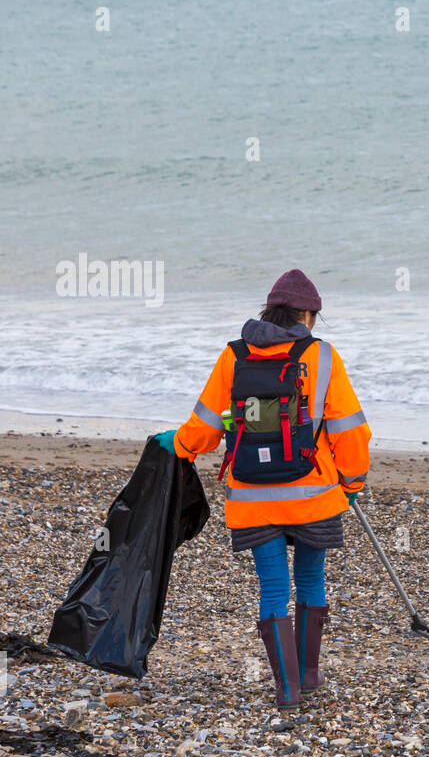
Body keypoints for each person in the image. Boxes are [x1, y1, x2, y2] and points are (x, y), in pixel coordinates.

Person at [153, 269, 371, 712]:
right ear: (307, 314)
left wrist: (177, 445)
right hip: (312, 494)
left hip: (251, 499)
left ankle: (286, 691)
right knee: (311, 579)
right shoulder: (322, 357)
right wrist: (351, 482)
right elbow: (350, 431)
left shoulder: (234, 355)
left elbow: (207, 424)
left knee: (273, 589)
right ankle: (310, 675)